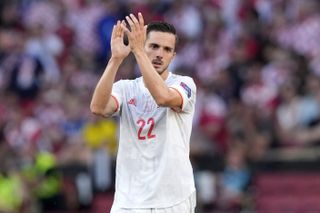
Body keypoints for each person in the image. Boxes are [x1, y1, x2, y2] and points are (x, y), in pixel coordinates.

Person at [90, 12, 197, 212]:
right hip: (129, 200)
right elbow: (98, 108)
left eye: (167, 49)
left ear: (173, 56)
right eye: (154, 46)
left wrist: (139, 52)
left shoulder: (184, 84)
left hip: (172, 198)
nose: (159, 54)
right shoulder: (125, 88)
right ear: (142, 45)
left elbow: (163, 97)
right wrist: (115, 60)